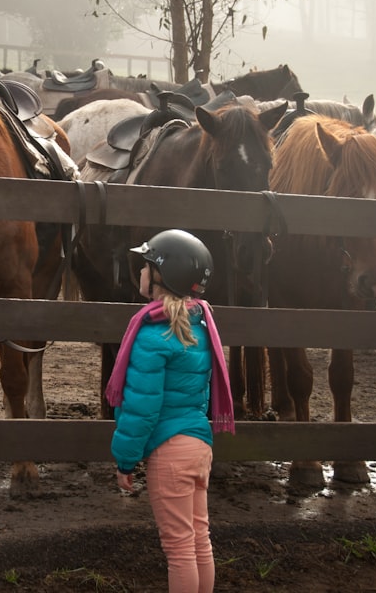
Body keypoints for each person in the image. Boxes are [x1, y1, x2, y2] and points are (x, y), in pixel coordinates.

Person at [107, 229, 234, 593]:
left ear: (161, 276)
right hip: (199, 445)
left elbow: (141, 410)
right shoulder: (201, 326)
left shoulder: (152, 336)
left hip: (169, 451)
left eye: (146, 266)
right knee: (198, 540)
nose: (141, 273)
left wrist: (125, 462)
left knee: (179, 550)